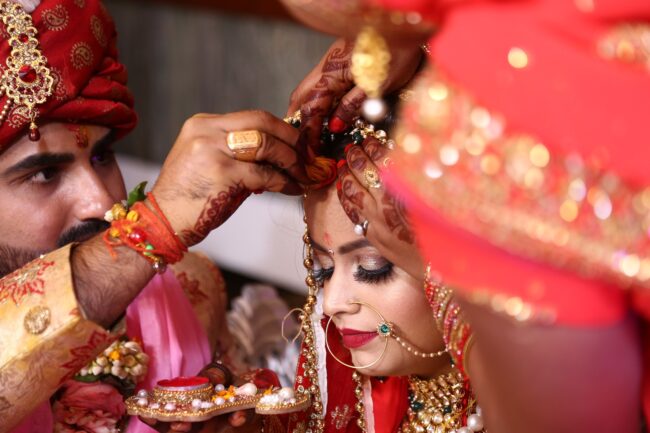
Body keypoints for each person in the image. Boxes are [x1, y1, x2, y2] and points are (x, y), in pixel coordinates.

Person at [280, 0, 650, 432]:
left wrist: (443, 280)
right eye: (321, 272)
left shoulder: (498, 112)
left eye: (374, 266)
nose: (332, 302)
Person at [0, 1, 307, 431]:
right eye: (45, 173)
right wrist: (150, 231)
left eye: (103, 155)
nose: (100, 202)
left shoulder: (185, 285)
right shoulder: (146, 252)